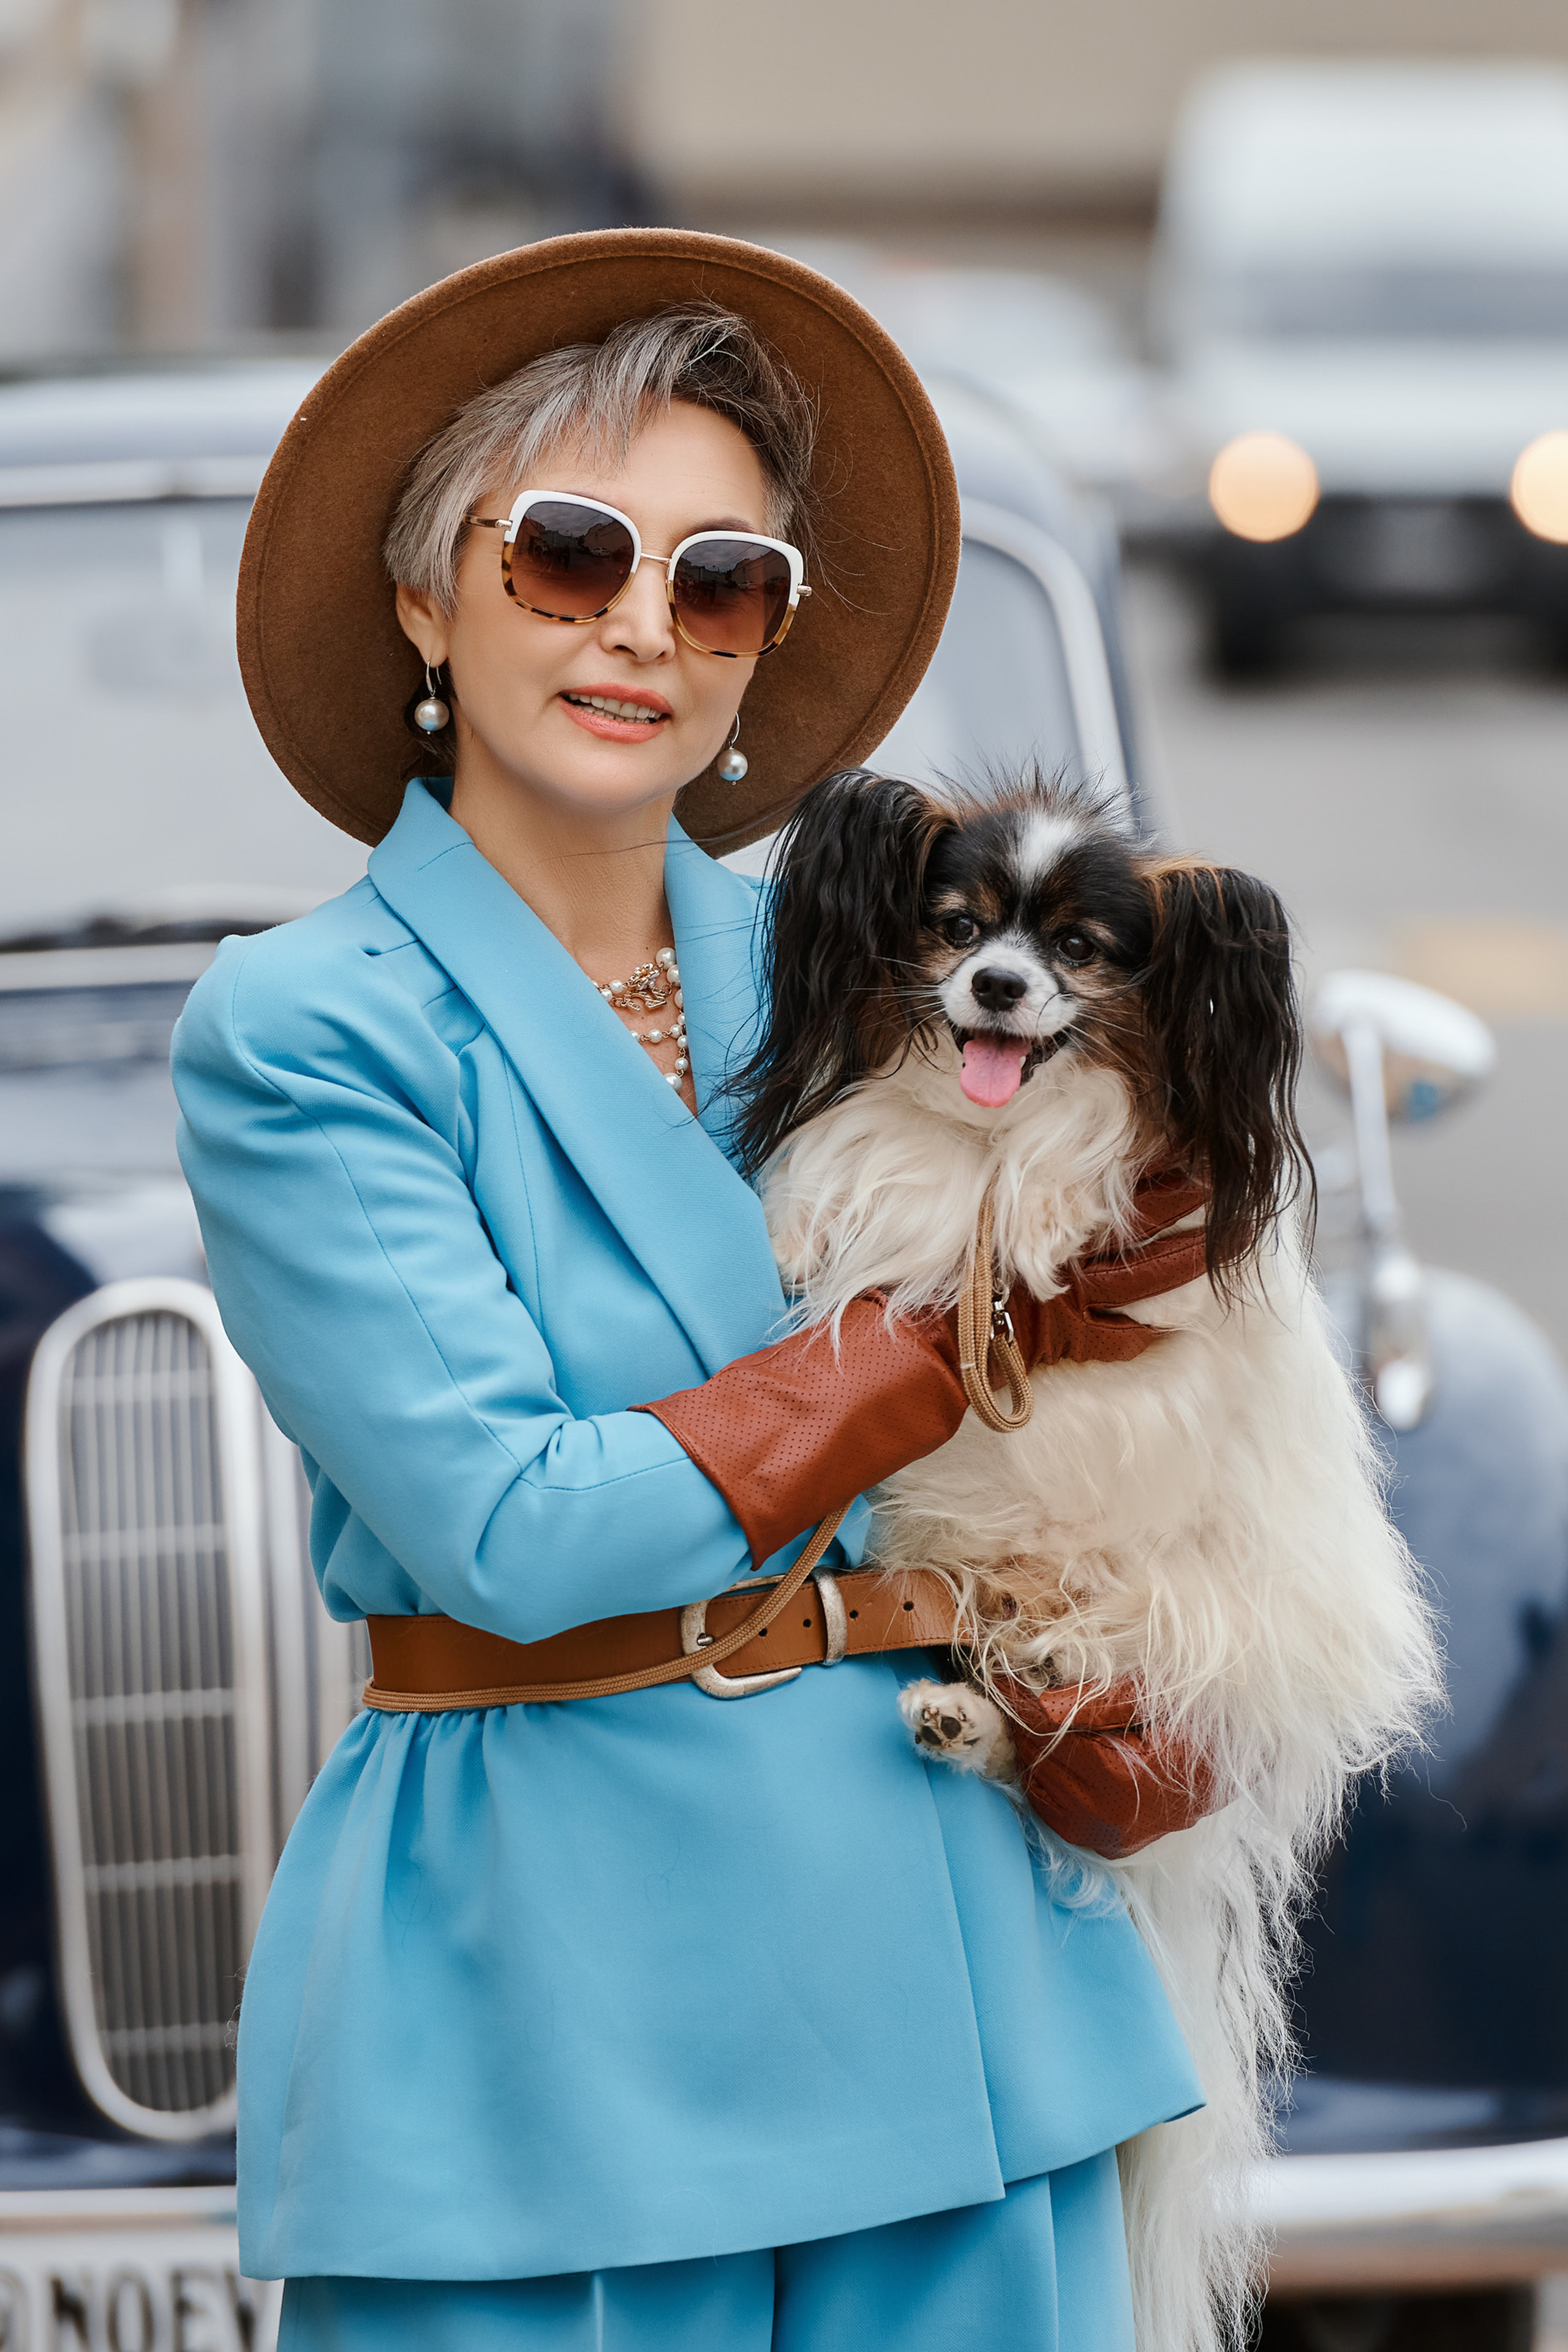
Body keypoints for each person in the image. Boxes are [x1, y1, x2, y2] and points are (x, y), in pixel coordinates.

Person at [172, 230, 1203, 2352]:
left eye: (719, 579)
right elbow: (512, 1527)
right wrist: (945, 1348)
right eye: (569, 553)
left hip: (958, 1963)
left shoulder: (905, 980)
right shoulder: (307, 1030)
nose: (643, 625)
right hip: (546, 2008)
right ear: (422, 594)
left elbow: (1144, 1391)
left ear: (759, 646)